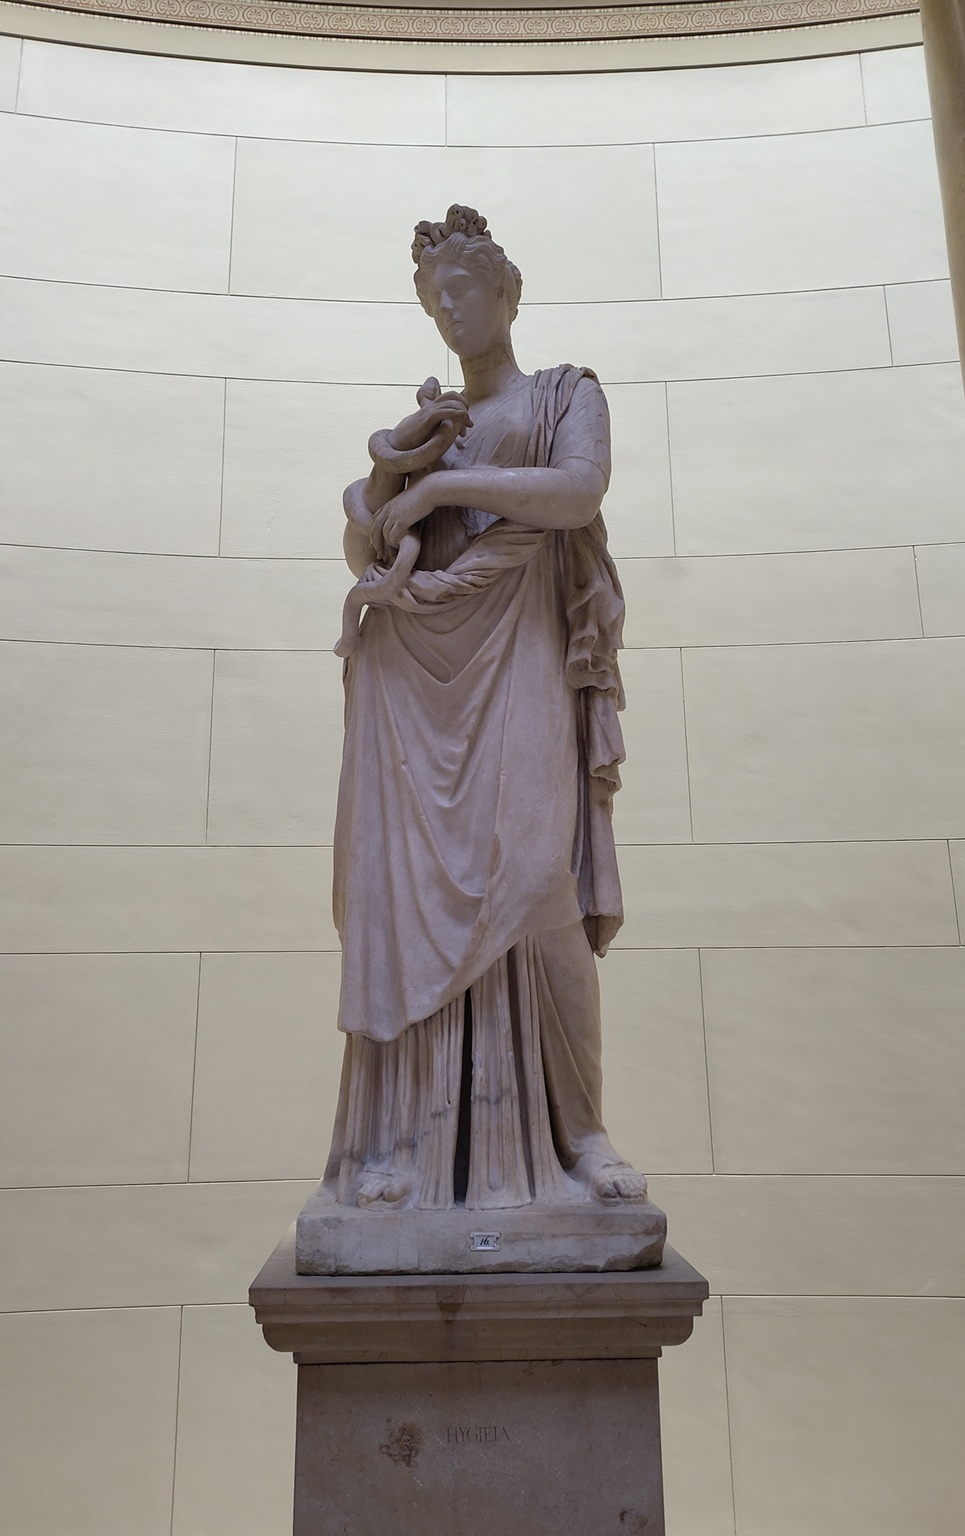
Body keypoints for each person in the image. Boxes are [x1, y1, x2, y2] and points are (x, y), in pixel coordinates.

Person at [323, 205, 647, 1213]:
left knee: (538, 876)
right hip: (421, 670)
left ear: (509, 294)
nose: (452, 311)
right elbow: (370, 549)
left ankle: (581, 1132)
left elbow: (578, 493)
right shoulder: (433, 426)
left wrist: (446, 484)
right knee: (403, 894)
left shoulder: (564, 394)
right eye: (436, 301)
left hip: (524, 654)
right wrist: (398, 468)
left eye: (467, 291)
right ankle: (401, 1148)